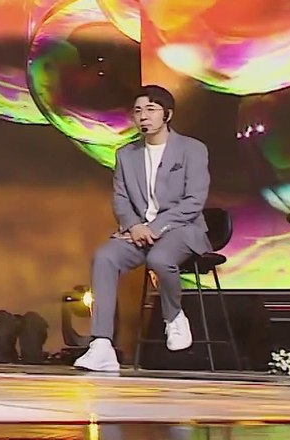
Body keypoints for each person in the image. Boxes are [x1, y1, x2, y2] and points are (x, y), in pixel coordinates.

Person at [74, 85, 212, 372]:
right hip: (138, 232)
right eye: (138, 111)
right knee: (105, 257)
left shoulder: (192, 149)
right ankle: (101, 344)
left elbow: (194, 200)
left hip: (181, 228)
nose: (143, 116)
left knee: (160, 258)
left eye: (151, 109)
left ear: (167, 114)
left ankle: (174, 317)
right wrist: (135, 225)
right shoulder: (126, 155)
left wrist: (156, 226)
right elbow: (121, 199)